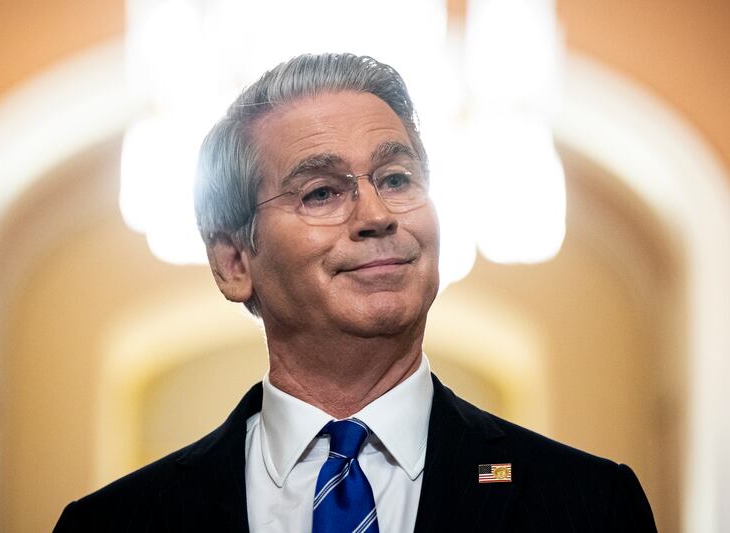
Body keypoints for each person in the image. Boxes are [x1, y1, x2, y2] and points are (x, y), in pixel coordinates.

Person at [53, 53, 656, 532]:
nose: (376, 215)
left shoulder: (589, 504)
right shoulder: (115, 523)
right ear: (235, 261)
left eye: (396, 179)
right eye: (321, 192)